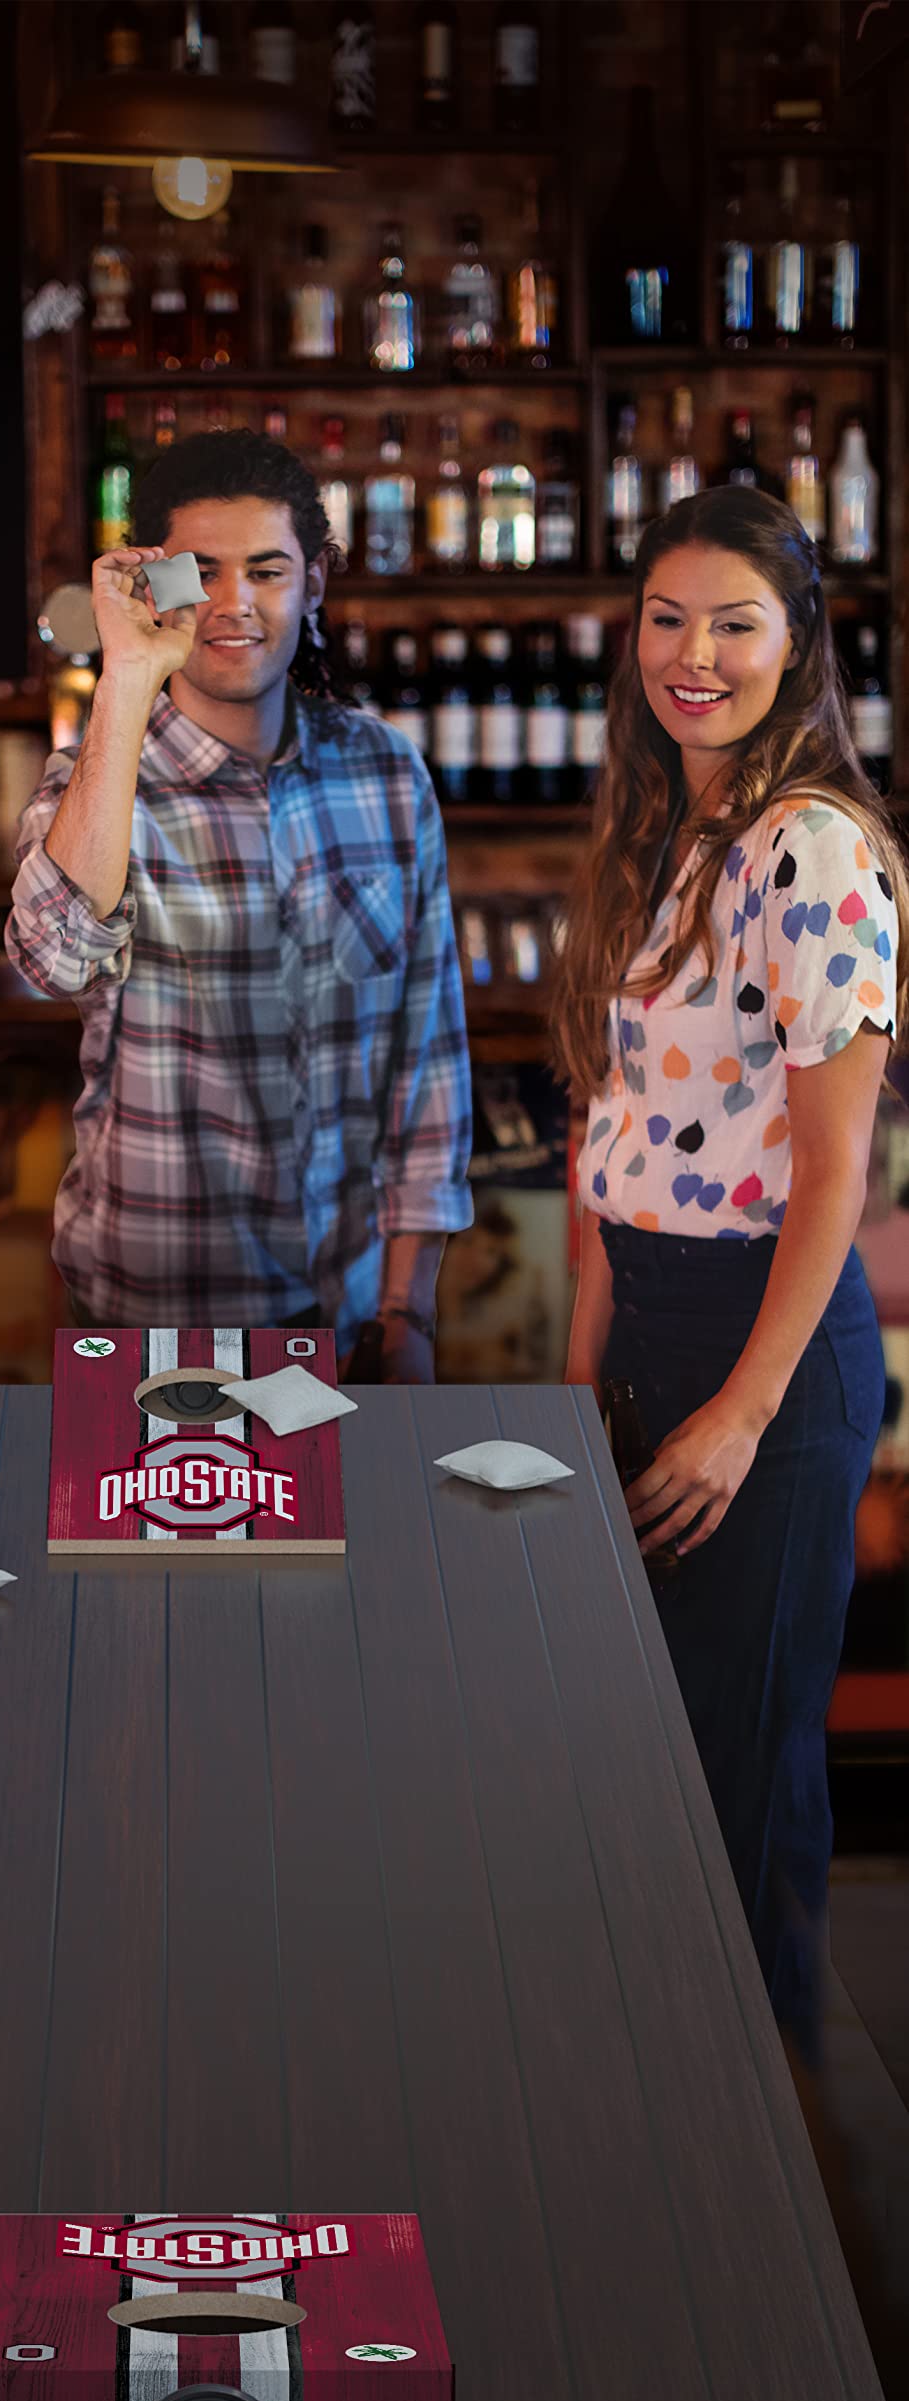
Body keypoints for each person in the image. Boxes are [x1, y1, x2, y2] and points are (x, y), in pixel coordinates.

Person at [555, 486, 906, 2072]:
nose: (693, 655)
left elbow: (839, 1172)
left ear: (799, 644)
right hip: (654, 1324)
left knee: (742, 1782)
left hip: (762, 1351)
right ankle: (662, 2125)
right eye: (666, 618)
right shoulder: (674, 828)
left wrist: (735, 1418)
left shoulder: (810, 845)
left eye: (734, 623)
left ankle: (766, 2183)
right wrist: (582, 1371)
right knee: (647, 1767)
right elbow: (613, 1120)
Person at [5, 428, 473, 1380]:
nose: (232, 604)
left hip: (345, 1315)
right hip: (145, 1313)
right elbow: (50, 961)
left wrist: (409, 1312)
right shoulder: (93, 788)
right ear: (153, 587)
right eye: (199, 573)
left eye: (265, 570)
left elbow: (426, 1056)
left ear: (314, 585)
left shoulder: (384, 774)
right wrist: (127, 673)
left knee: (347, 1536)